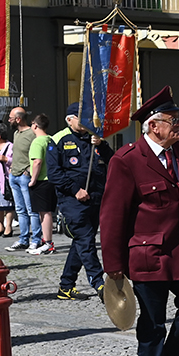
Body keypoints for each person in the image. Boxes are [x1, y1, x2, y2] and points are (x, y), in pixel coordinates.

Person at [100, 87, 179, 356]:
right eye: (173, 120)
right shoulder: (127, 160)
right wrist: (113, 264)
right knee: (153, 325)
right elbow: (113, 215)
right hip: (147, 256)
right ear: (153, 125)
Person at [49, 105, 113, 301]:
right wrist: (75, 190)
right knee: (86, 241)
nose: (85, 121)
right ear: (69, 120)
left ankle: (66, 286)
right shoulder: (59, 139)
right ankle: (99, 283)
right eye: (80, 117)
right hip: (72, 200)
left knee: (81, 242)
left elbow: (114, 161)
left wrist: (102, 144)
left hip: (95, 196)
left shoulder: (94, 138)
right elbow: (54, 173)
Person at [4, 107, 38, 253]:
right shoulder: (16, 133)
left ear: (18, 119)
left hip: (24, 176)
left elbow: (38, 152)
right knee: (20, 210)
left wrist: (29, 171)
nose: (8, 120)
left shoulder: (32, 133)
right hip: (14, 175)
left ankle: (36, 240)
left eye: (11, 118)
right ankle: (23, 239)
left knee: (32, 210)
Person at [26, 114, 56, 254]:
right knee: (46, 212)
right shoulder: (50, 139)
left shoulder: (37, 142)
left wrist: (33, 179)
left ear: (35, 125)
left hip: (41, 180)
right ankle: (47, 241)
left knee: (44, 213)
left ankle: (47, 242)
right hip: (50, 179)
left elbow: (37, 161)